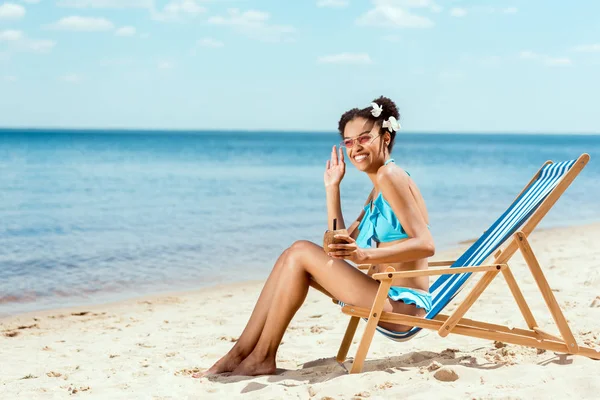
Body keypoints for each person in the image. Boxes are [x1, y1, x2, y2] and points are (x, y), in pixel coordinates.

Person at [197, 96, 435, 377]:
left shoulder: (390, 176)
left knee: (298, 251)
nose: (355, 148)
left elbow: (426, 245)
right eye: (348, 142)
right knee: (292, 257)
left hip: (402, 307)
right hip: (383, 294)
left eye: (364, 138)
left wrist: (364, 255)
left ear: (385, 137)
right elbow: (337, 243)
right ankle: (242, 353)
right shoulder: (378, 186)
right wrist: (332, 187)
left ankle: (259, 356)